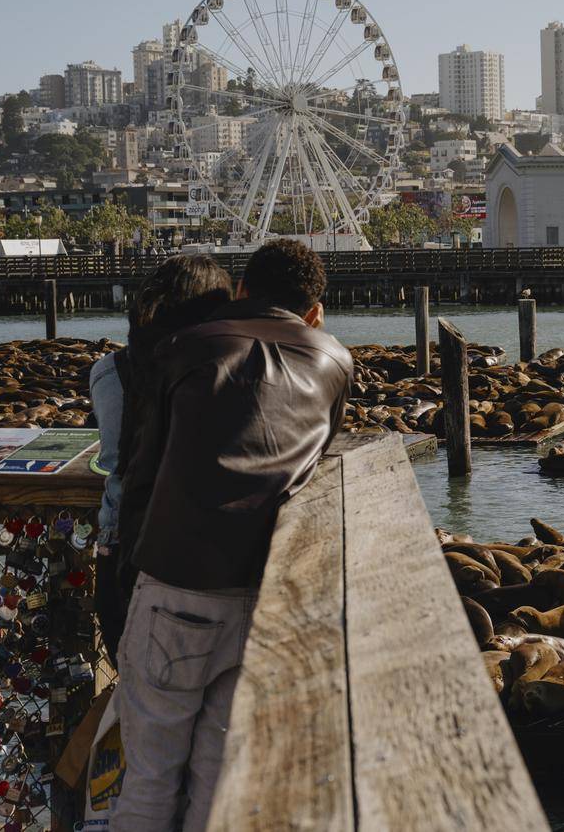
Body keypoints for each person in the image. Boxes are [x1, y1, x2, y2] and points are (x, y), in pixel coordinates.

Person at [112, 239, 353, 832]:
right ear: (315, 313)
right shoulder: (335, 363)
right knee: (217, 785)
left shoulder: (188, 349)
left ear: (240, 291)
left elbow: (145, 468)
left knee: (148, 777)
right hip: (266, 592)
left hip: (176, 581)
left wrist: (125, 567)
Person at [89, 255, 233, 664]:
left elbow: (115, 456)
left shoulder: (108, 372)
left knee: (136, 696)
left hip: (119, 555)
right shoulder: (219, 370)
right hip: (198, 560)